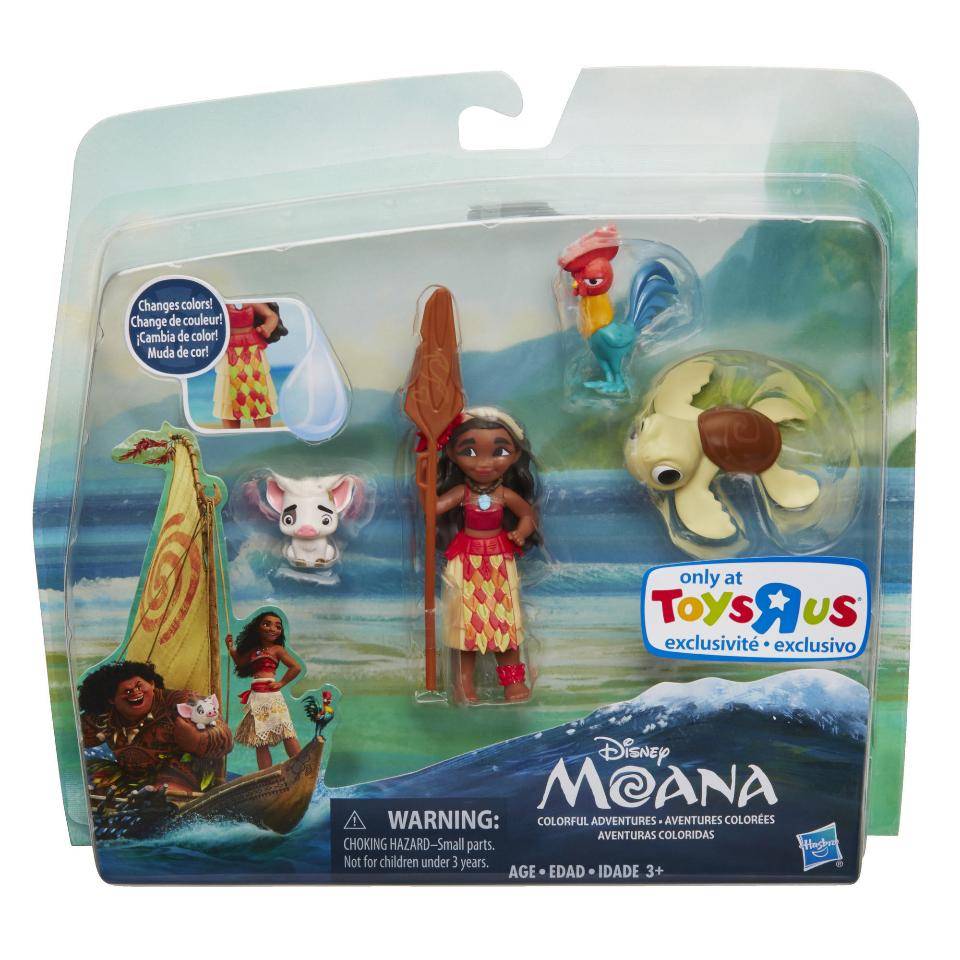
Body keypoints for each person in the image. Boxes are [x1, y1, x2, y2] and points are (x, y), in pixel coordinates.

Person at [432, 407, 540, 703]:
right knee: (465, 627)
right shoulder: (462, 493)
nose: (483, 463)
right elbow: (435, 508)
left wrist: (521, 533)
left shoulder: (504, 495)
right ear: (452, 454)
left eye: (499, 452)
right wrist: (424, 476)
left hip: (498, 562)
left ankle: (513, 683)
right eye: (469, 451)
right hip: (466, 561)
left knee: (504, 626)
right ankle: (462, 684)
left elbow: (528, 515)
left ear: (516, 455)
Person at [78, 660, 233, 796]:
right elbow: (75, 735)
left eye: (139, 686)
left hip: (180, 776)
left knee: (165, 791)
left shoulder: (182, 701)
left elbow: (223, 735)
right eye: (127, 691)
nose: (135, 693)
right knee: (89, 778)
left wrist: (196, 740)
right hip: (131, 778)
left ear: (152, 684)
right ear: (112, 700)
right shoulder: (105, 716)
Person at [227, 610, 303, 769]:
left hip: (272, 696)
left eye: (277, 626)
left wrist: (281, 683)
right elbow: (240, 662)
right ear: (258, 627)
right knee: (260, 741)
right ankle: (266, 774)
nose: (272, 629)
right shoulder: (253, 651)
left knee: (287, 732)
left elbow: (296, 667)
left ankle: (302, 766)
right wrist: (231, 648)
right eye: (267, 624)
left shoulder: (278, 649)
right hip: (257, 697)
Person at [213, 302, 280, 428]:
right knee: (228, 397)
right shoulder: (217, 303)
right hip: (227, 350)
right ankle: (231, 436)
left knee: (259, 394)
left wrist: (267, 327)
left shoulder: (249, 302)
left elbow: (271, 316)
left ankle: (264, 433)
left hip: (252, 349)